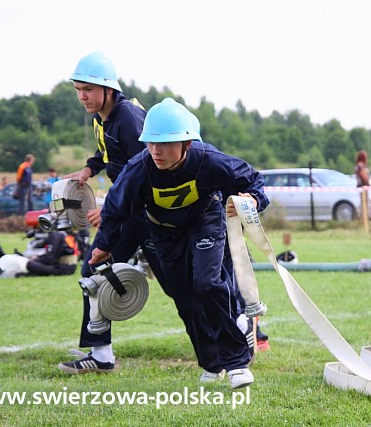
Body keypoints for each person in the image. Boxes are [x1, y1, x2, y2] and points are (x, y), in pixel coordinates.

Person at [88, 98, 268, 389]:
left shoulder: (210, 160)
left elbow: (253, 182)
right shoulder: (139, 169)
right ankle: (211, 363)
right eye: (151, 143)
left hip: (205, 222)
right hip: (163, 233)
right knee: (184, 299)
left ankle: (236, 362)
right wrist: (103, 245)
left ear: (186, 143)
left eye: (165, 144)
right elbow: (114, 209)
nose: (156, 151)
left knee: (207, 284)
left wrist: (253, 200)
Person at [58, 51, 165, 376]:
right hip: (128, 213)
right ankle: (101, 354)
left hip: (149, 213)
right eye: (78, 89)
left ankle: (240, 326)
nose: (82, 96)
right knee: (93, 270)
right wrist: (89, 170)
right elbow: (107, 153)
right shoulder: (103, 118)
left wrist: (110, 209)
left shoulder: (129, 117)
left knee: (184, 284)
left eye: (87, 89)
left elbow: (146, 170)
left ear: (108, 89)